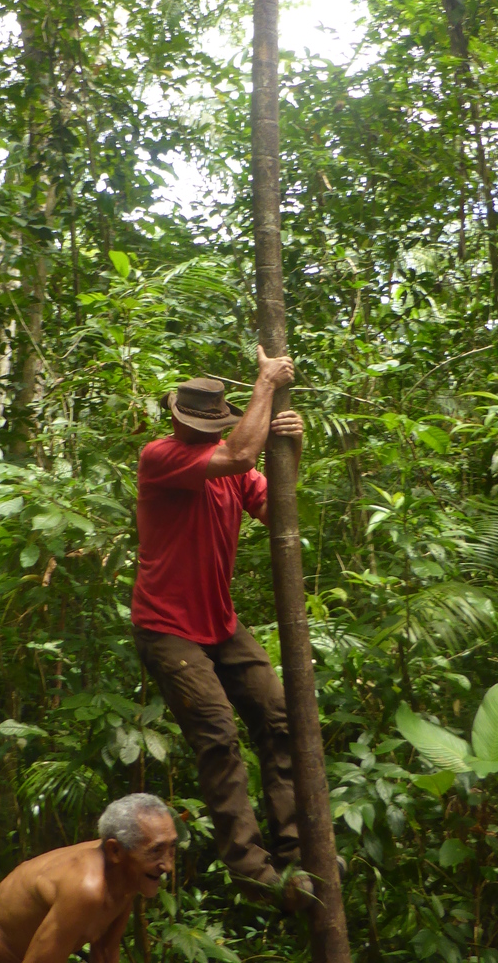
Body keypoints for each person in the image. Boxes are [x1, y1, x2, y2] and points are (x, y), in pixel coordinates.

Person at [131, 346, 309, 905]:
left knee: (280, 719)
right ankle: (251, 870)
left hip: (219, 623)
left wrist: (292, 449)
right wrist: (265, 382)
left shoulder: (234, 468)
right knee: (218, 734)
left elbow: (278, 508)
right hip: (166, 626)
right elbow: (235, 456)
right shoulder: (161, 456)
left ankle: (299, 853)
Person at [0, 793, 176, 963]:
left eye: (171, 848)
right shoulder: (86, 888)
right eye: (156, 851)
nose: (168, 865)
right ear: (115, 851)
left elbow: (106, 952)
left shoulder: (127, 874)